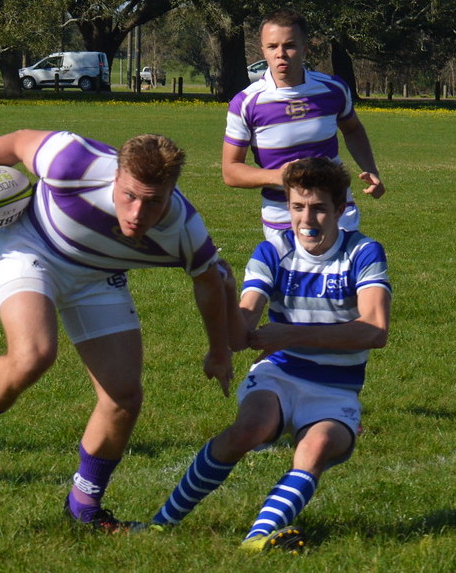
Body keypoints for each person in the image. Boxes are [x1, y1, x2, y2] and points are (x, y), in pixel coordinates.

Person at [0, 130, 235, 531]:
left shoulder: (183, 228)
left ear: (172, 192)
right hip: (32, 246)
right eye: (130, 196)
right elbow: (14, 143)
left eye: (154, 202)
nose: (138, 213)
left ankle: (84, 509)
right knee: (33, 354)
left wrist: (219, 350)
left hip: (97, 278)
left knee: (123, 396)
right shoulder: (72, 161)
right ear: (116, 177)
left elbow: (213, 281)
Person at [149, 157, 391, 552]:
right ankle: (159, 525)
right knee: (248, 429)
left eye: (318, 208)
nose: (306, 219)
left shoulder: (363, 253)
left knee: (313, 449)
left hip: (336, 389)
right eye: (297, 207)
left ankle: (256, 539)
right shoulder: (272, 251)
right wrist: (225, 294)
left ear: (341, 209)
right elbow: (244, 333)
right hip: (279, 374)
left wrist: (290, 334)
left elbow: (375, 331)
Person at [223, 8, 386, 242]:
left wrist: (371, 169)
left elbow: (352, 129)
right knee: (292, 279)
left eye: (289, 45)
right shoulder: (246, 103)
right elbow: (230, 171)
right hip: (282, 215)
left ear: (304, 48)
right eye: (272, 47)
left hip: (336, 209)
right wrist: (278, 177)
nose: (281, 54)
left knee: (344, 277)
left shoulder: (333, 89)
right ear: (263, 51)